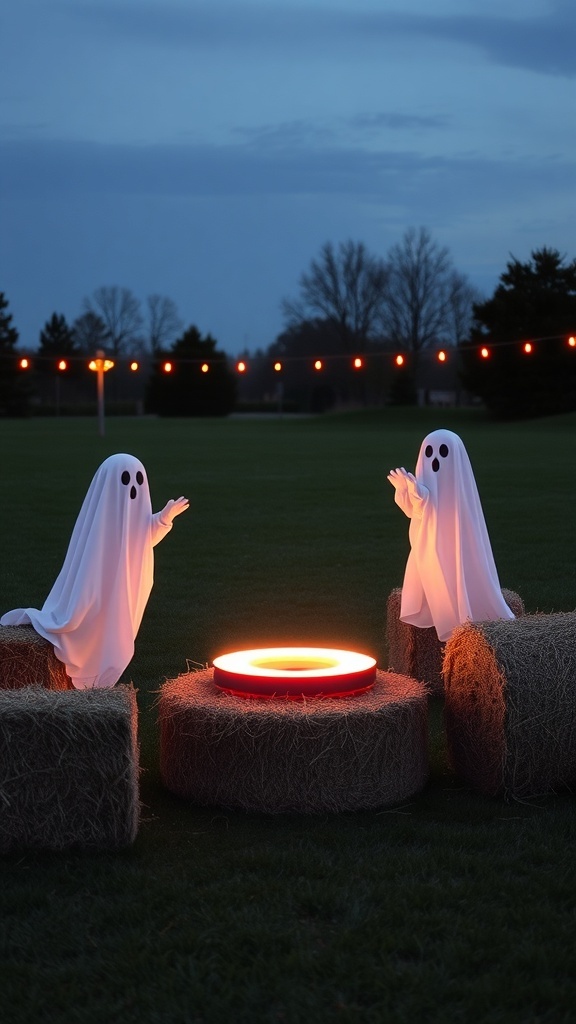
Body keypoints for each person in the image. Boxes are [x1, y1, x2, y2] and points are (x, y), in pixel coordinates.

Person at [1, 453, 189, 688]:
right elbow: (93, 558)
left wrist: (163, 519)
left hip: (125, 586)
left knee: (118, 630)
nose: (132, 488)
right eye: (125, 480)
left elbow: (142, 538)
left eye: (138, 480)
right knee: (92, 620)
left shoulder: (134, 512)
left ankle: (106, 657)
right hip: (100, 585)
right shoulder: (100, 518)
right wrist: (85, 596)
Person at [388, 428, 514, 642]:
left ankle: (462, 603)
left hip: (447, 546)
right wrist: (405, 492)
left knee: (451, 569)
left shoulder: (460, 492)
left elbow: (434, 508)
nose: (435, 460)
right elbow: (416, 511)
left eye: (443, 453)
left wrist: (420, 497)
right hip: (427, 547)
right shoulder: (423, 487)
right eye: (429, 453)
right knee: (432, 575)